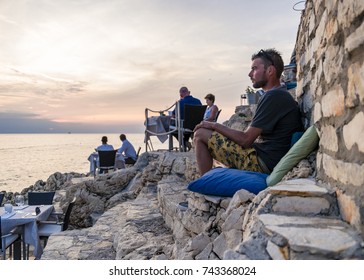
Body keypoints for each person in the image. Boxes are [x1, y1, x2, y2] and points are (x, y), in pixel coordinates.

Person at [193, 48, 303, 176]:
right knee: (206, 132)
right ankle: (209, 179)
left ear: (270, 71)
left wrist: (214, 125)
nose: (250, 74)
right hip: (264, 157)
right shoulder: (278, 94)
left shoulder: (274, 96)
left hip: (262, 163)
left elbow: (246, 139)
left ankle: (206, 183)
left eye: (255, 68)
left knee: (200, 134)